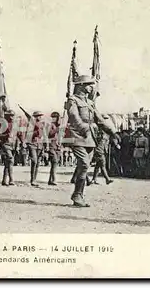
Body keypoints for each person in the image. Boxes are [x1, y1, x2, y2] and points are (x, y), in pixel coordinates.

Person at [65, 75, 119, 207]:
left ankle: (78, 195)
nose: (92, 87)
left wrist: (112, 132)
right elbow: (73, 117)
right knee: (83, 163)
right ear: (82, 85)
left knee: (84, 167)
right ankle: (77, 194)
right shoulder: (73, 100)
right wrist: (85, 128)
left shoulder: (90, 103)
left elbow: (99, 120)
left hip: (90, 138)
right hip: (76, 136)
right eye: (89, 84)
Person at [89, 116, 117, 185]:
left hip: (100, 151)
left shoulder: (103, 132)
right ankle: (107, 179)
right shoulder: (101, 133)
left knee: (98, 166)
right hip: (99, 151)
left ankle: (93, 179)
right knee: (103, 165)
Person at [27, 111, 44, 187]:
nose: (40, 117)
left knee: (37, 163)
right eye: (38, 116)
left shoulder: (41, 124)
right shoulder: (31, 124)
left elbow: (44, 135)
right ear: (35, 117)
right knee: (34, 161)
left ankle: (34, 179)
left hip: (39, 145)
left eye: (40, 116)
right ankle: (32, 179)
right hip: (32, 144)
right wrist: (36, 132)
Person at [47, 111, 62, 186]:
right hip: (51, 146)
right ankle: (54, 179)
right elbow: (49, 134)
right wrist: (57, 129)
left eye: (55, 117)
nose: (54, 119)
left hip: (57, 146)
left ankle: (50, 179)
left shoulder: (59, 126)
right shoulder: (50, 125)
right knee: (54, 161)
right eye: (53, 117)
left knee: (54, 164)